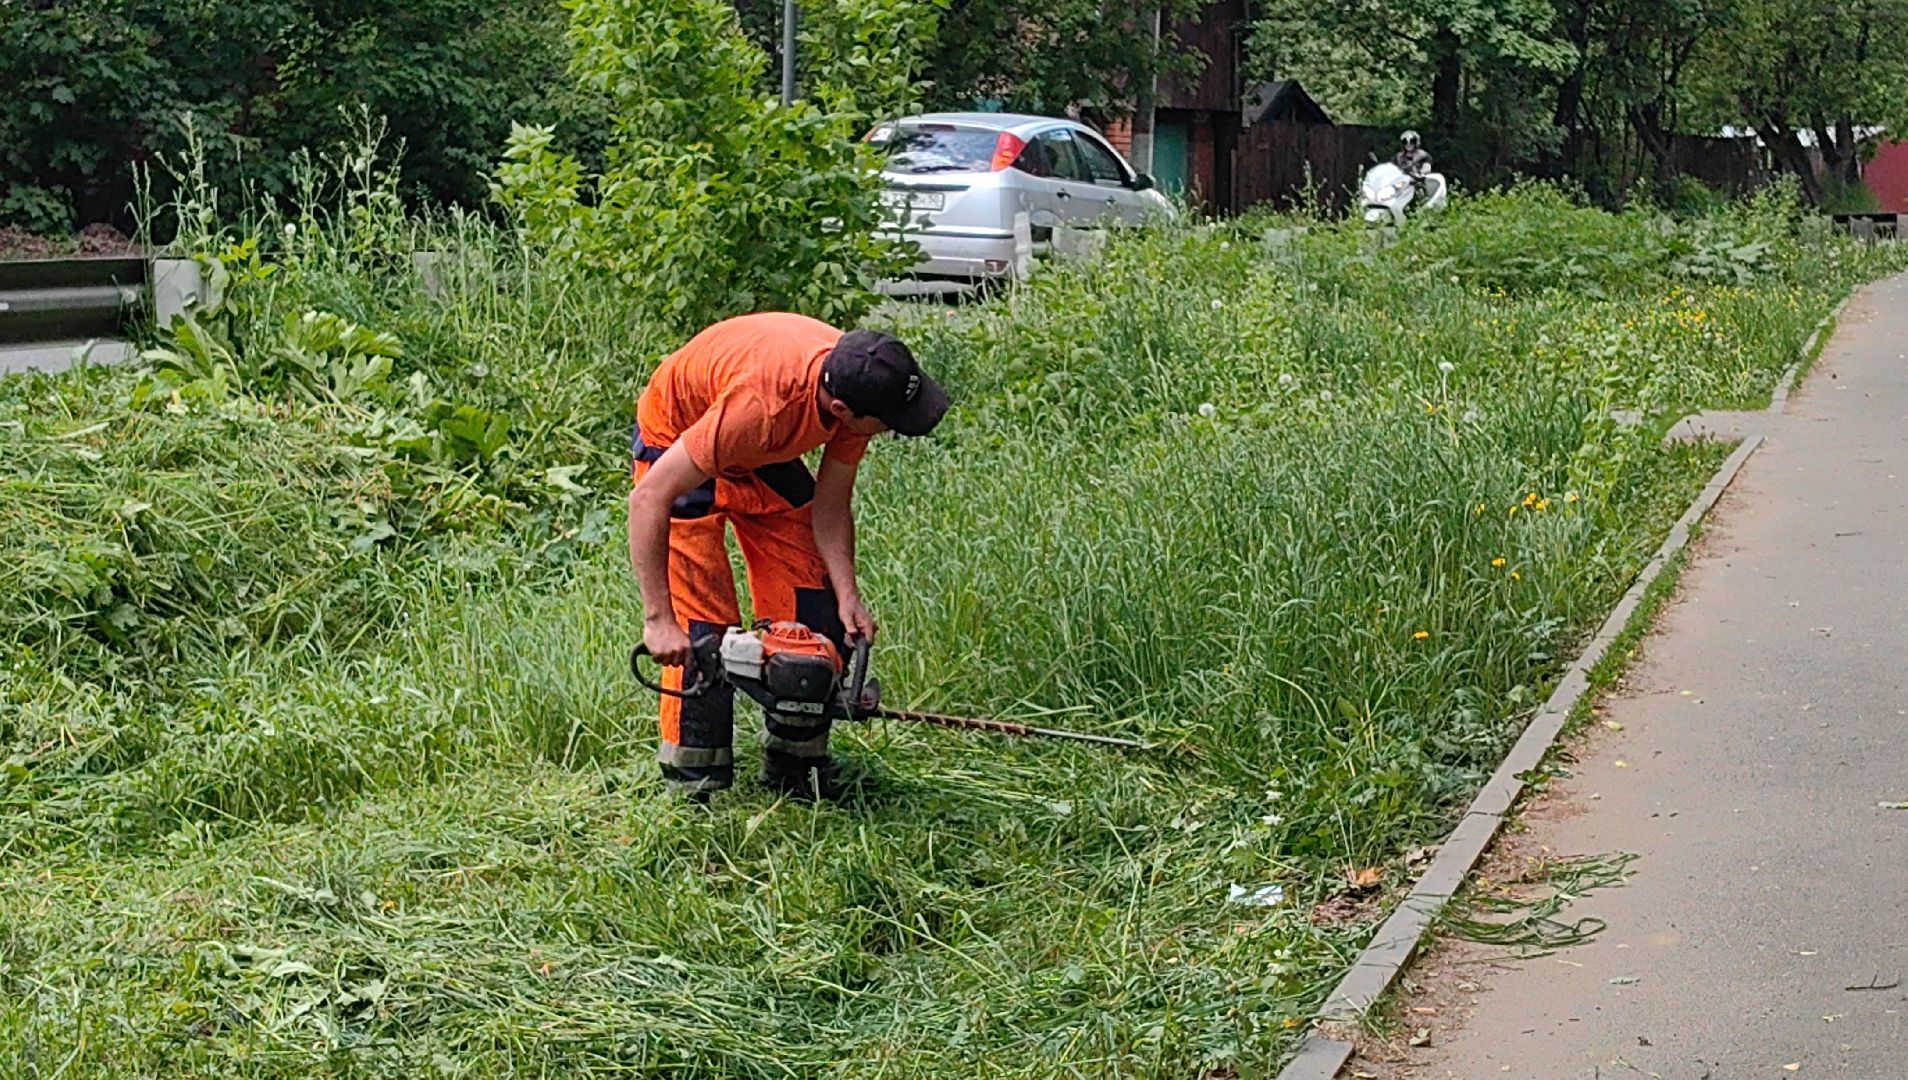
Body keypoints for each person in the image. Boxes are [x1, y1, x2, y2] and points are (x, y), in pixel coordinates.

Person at [628, 313, 949, 799]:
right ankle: (694, 788)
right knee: (701, 637)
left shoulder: (858, 380)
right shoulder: (764, 406)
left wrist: (848, 596)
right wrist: (657, 619)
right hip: (680, 435)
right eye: (886, 425)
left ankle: (795, 774)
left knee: (812, 615)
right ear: (841, 408)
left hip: (756, 451)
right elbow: (650, 497)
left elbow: (831, 503)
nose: (887, 431)